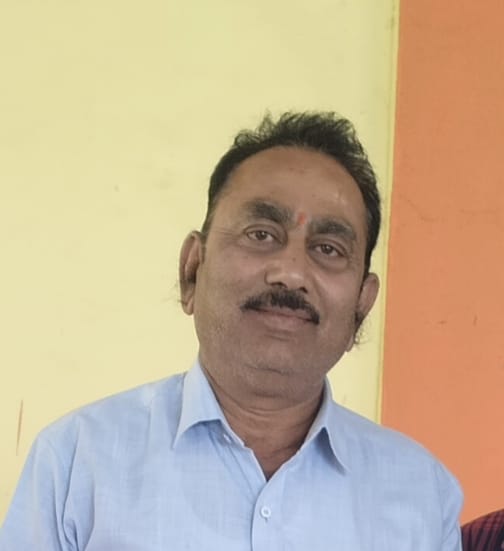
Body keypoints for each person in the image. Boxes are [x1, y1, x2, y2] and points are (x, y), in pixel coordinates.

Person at [0, 112, 463, 550]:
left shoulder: (423, 495)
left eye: (328, 248)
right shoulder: (77, 462)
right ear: (192, 270)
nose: (290, 273)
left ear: (361, 305)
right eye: (261, 234)